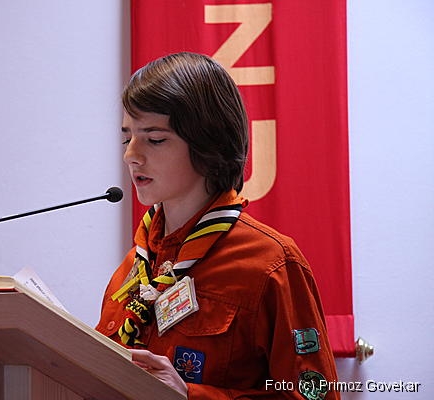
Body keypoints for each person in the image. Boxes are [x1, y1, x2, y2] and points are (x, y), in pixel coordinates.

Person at [95, 52, 340, 399]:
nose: (131, 155)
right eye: (127, 138)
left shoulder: (271, 265)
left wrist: (190, 395)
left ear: (209, 143)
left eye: (155, 139)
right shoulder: (137, 263)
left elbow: (315, 395)